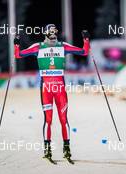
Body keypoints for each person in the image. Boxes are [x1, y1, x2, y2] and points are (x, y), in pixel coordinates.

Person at [14, 24, 90, 162]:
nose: (54, 33)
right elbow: (18, 55)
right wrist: (16, 43)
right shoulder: (38, 47)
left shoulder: (63, 46)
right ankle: (47, 150)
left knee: (63, 120)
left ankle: (67, 149)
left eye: (55, 31)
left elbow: (84, 52)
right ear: (45, 32)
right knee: (48, 120)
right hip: (46, 89)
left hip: (60, 89)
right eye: (51, 31)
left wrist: (86, 39)